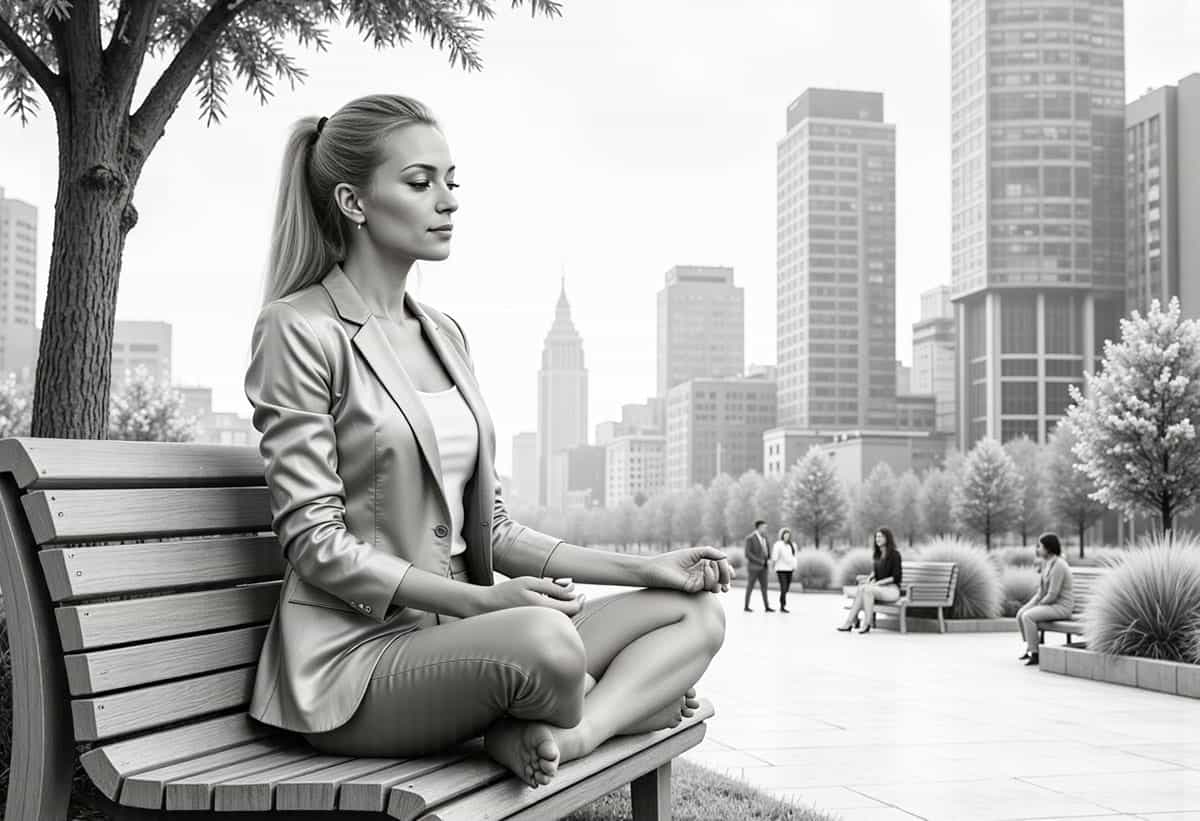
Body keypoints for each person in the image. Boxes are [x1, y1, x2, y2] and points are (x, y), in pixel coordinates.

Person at [244, 94, 732, 790]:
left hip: (469, 638)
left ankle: (580, 728)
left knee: (694, 613)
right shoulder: (298, 328)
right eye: (420, 182)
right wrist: (489, 604)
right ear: (353, 201)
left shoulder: (446, 334)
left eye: (452, 181)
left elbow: (493, 529)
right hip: (358, 662)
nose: (447, 200)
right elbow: (315, 543)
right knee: (547, 641)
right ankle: (632, 704)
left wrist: (649, 568)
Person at [1016, 533, 1075, 666]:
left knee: (1028, 616)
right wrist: (1029, 605)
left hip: (1061, 607)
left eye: (1040, 546)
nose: (1038, 549)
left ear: (1048, 548)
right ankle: (1030, 646)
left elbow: (1052, 594)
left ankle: (1035, 653)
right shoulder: (1045, 563)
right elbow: (1041, 592)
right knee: (1021, 613)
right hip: (1050, 604)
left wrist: (1036, 607)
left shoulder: (1059, 565)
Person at [838, 528, 902, 633]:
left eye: (880, 536)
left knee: (867, 590)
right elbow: (876, 572)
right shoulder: (877, 554)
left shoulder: (895, 555)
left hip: (892, 590)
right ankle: (849, 622)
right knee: (863, 588)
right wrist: (869, 579)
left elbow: (896, 577)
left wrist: (878, 583)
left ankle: (865, 623)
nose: (878, 539)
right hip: (879, 589)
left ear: (887, 538)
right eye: (876, 536)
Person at [743, 519, 773, 612]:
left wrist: (768, 559)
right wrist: (761, 561)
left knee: (764, 587)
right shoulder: (750, 538)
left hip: (764, 567)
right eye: (764, 527)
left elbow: (767, 551)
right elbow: (747, 554)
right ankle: (746, 606)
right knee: (750, 587)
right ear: (759, 527)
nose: (765, 529)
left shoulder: (765, 538)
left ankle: (767, 607)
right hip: (753, 567)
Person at [771, 527, 798, 613]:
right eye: (785, 535)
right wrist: (773, 566)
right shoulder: (778, 544)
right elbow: (774, 557)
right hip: (781, 569)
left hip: (790, 569)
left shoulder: (793, 545)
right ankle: (782, 606)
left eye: (788, 535)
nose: (787, 537)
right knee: (783, 587)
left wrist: (795, 567)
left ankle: (782, 603)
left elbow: (795, 557)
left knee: (786, 588)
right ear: (782, 536)